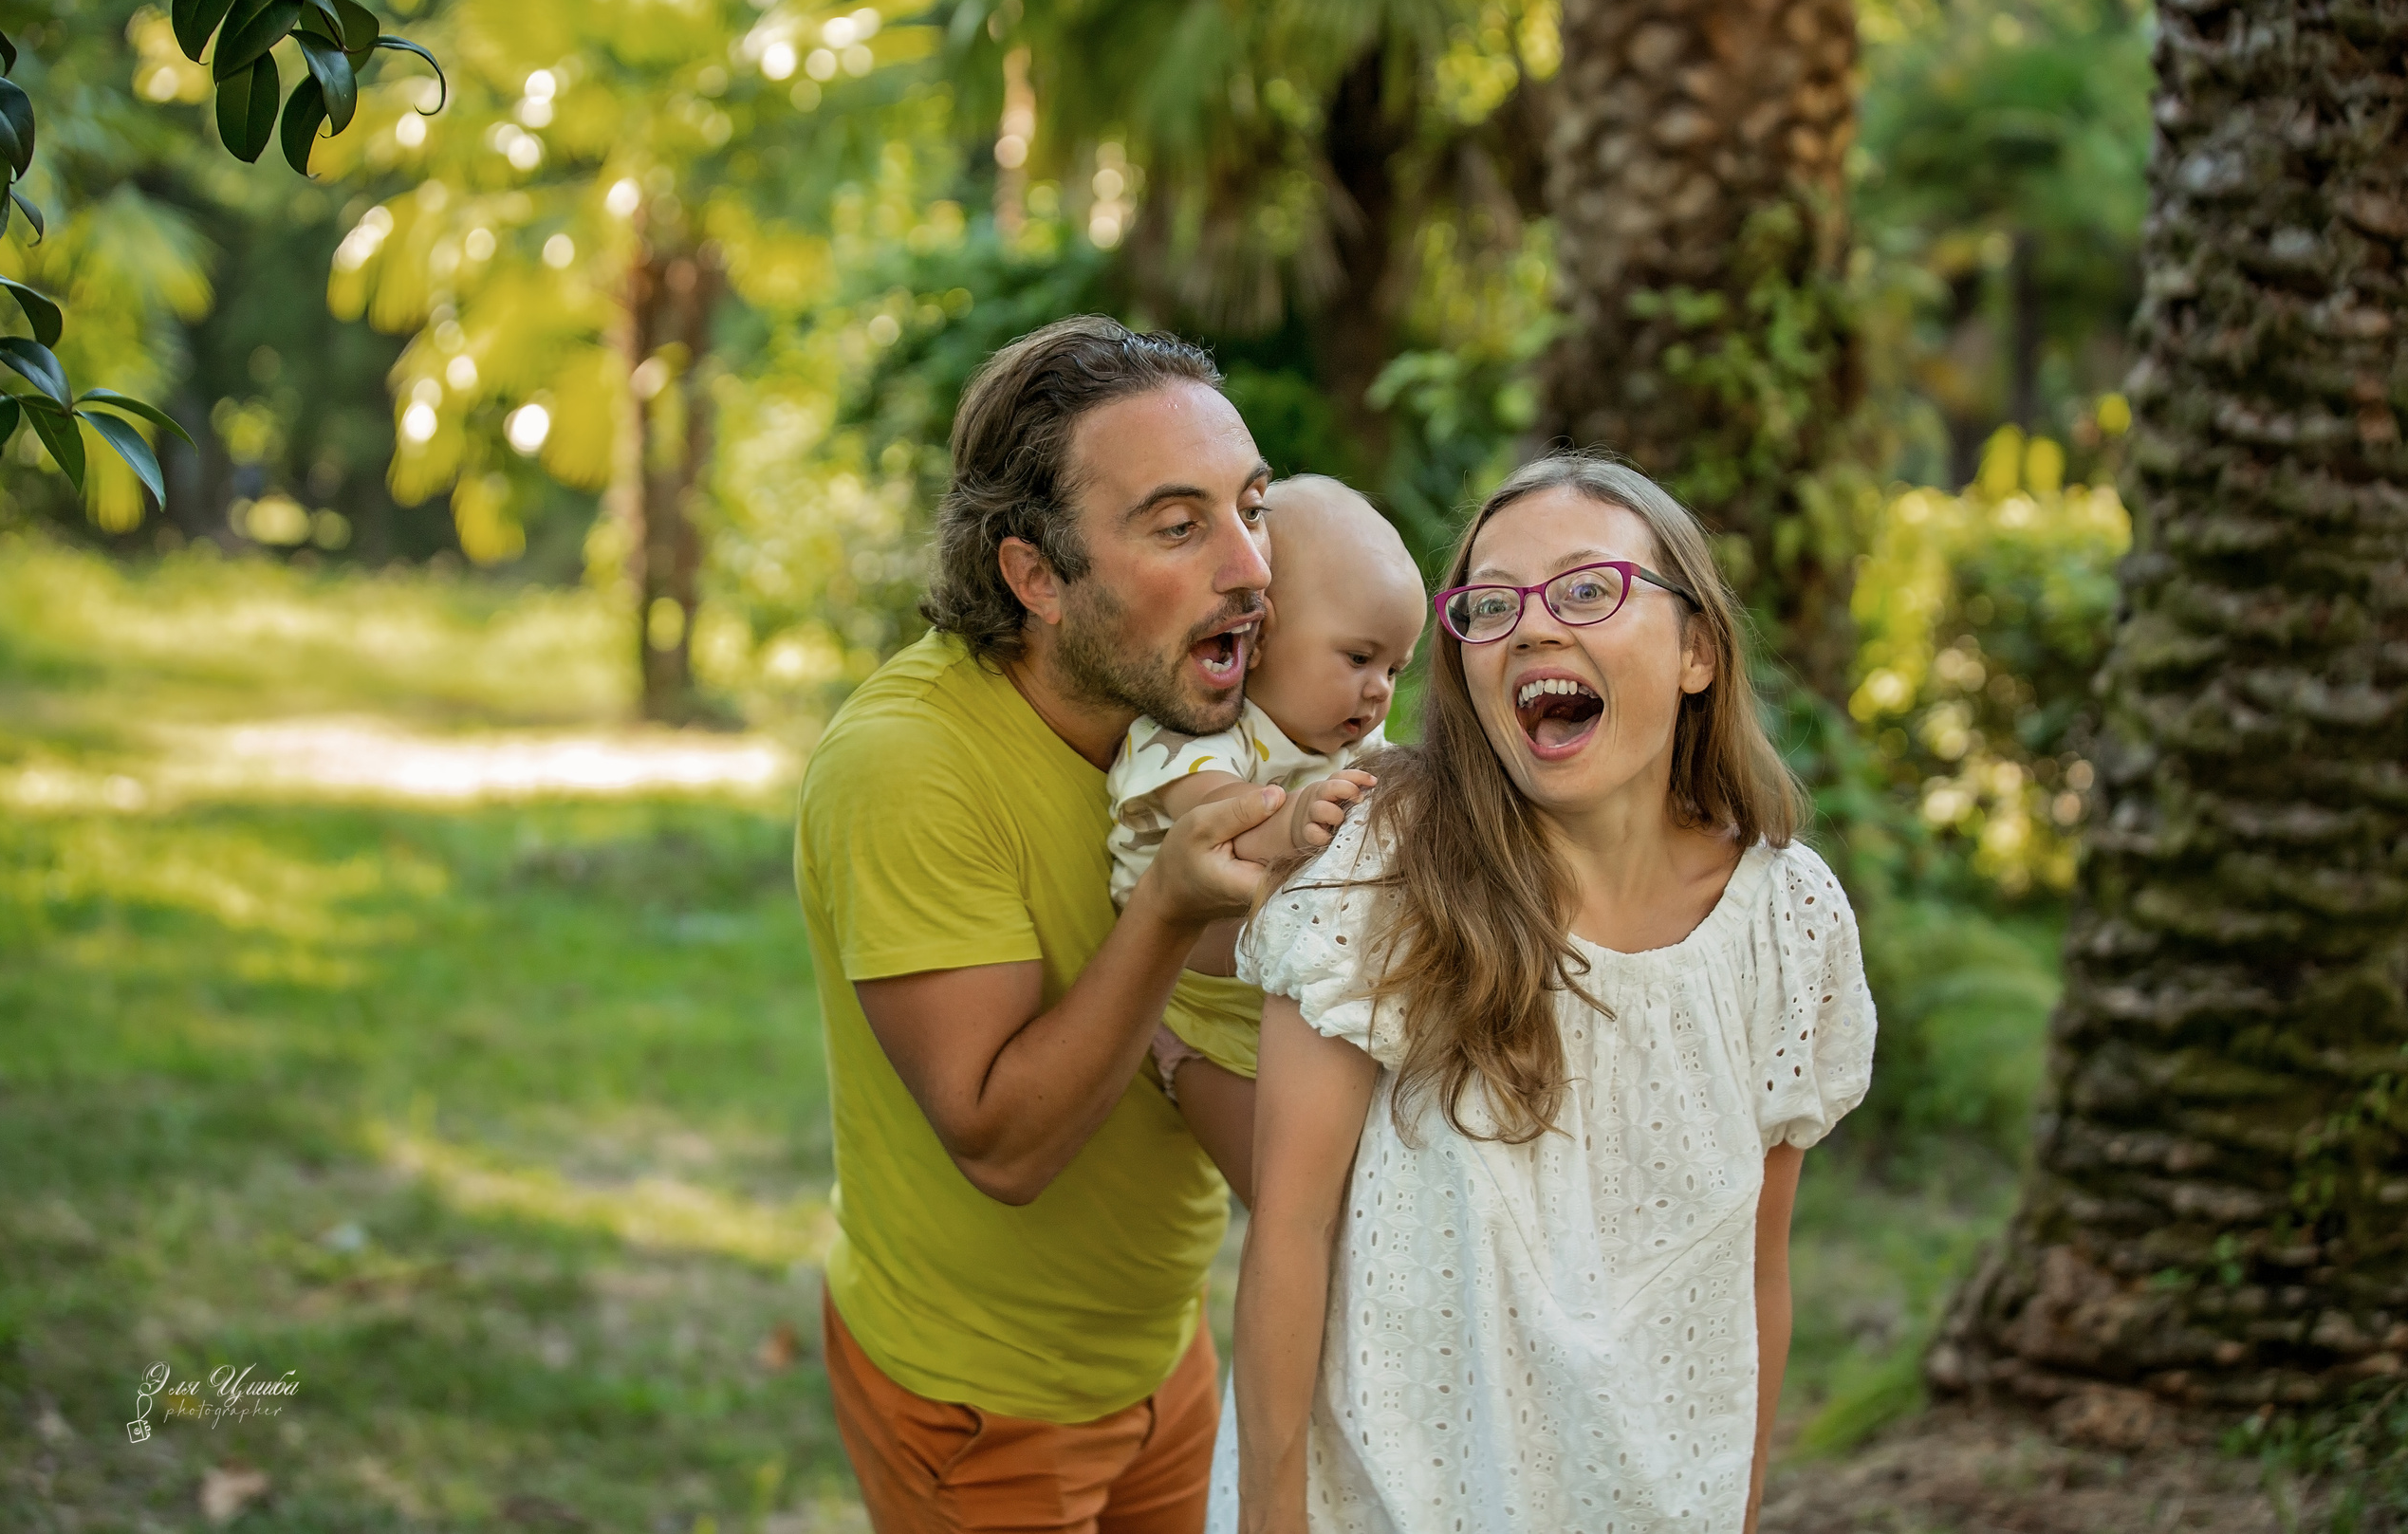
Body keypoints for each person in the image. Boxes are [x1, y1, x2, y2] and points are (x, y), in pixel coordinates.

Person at [1222, 453, 1877, 1534]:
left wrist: (1740, 1509)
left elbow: (1755, 1273)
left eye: (1586, 590)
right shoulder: (1383, 870)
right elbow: (1287, 1232)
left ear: (1697, 650)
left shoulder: (1787, 920)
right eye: (1490, 606)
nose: (1531, 629)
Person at [794, 316, 1291, 1534]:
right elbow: (1002, 1144)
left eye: (1253, 505)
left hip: (1163, 1353)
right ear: (1034, 578)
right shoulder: (908, 769)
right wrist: (1169, 907)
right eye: (1178, 526)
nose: (1251, 566)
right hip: (984, 1404)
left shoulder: (1193, 704)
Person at [1104, 475, 1428, 1203]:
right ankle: (1174, 1065)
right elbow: (1212, 820)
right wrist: (1291, 819)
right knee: (1282, 1196)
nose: (1379, 690)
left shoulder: (1348, 739)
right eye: (1358, 657)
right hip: (1198, 1010)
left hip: (1296, 1009)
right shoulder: (1199, 732)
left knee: (1360, 1198)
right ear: (1265, 629)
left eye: (1395, 669)